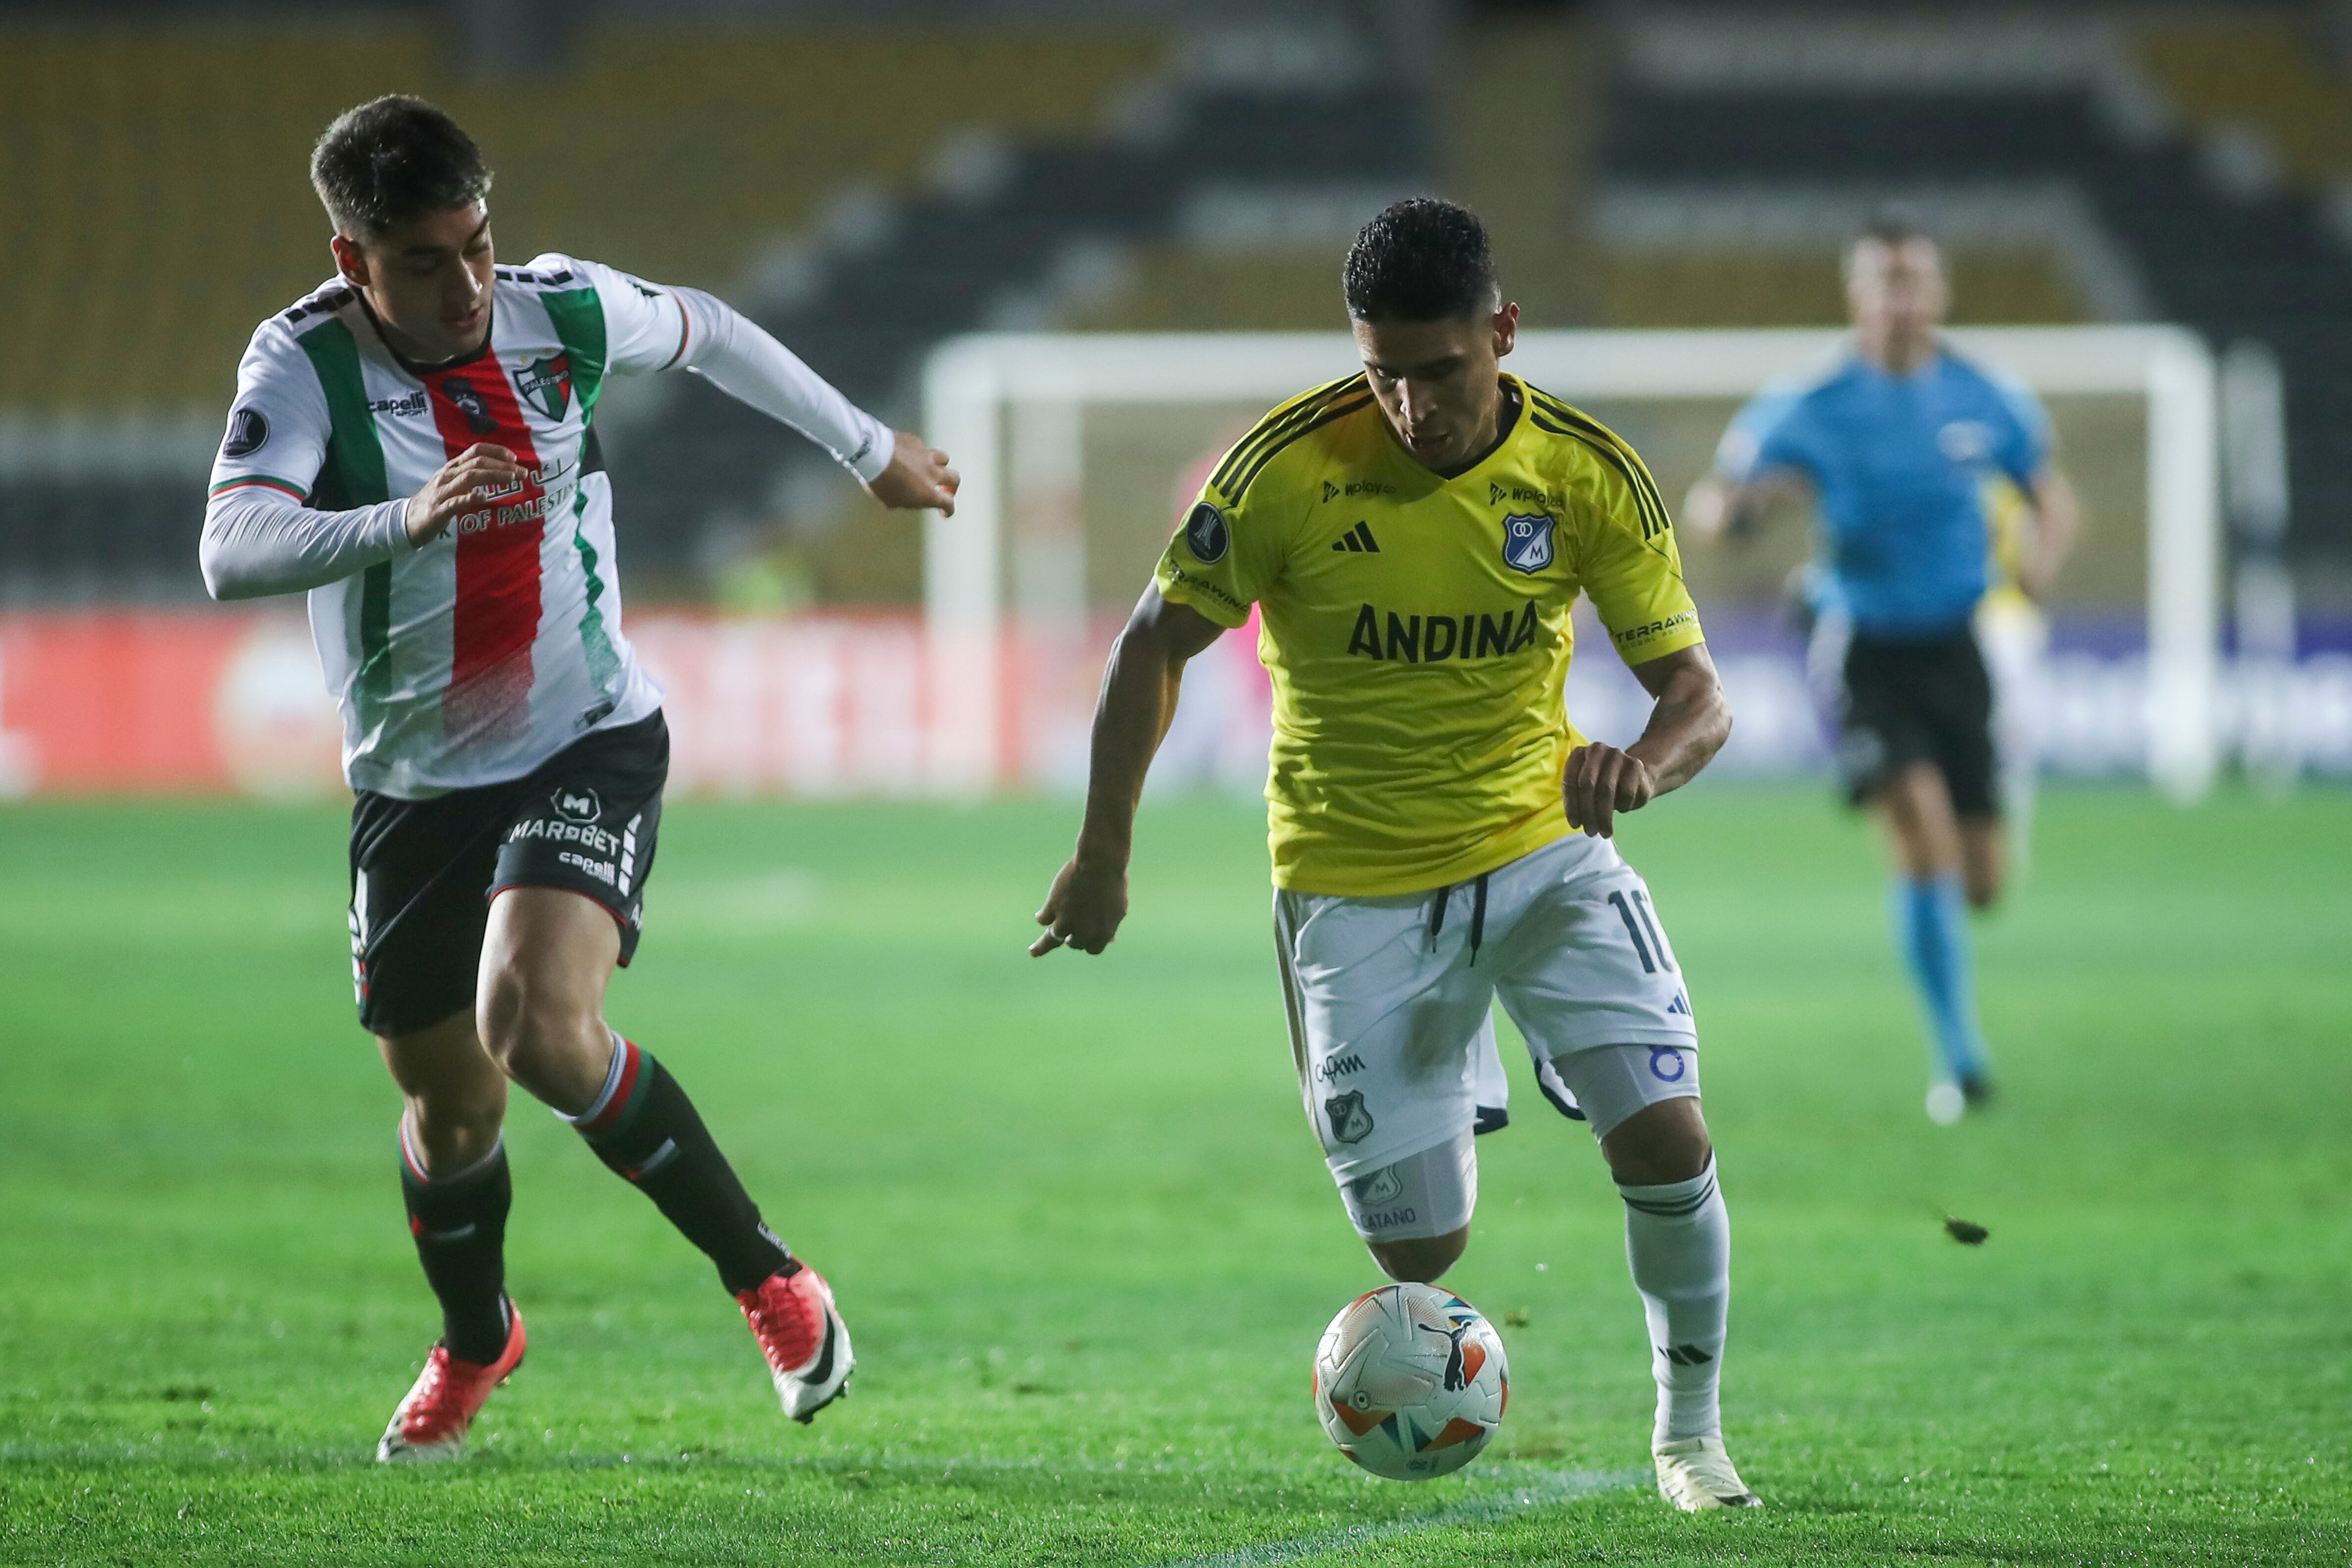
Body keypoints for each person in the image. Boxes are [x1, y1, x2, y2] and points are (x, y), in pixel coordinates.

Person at [199, 96, 958, 1460]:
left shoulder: (565, 315)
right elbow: (232, 544)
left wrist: (872, 451)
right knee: (448, 1111)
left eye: (478, 244)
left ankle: (772, 1281)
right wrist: (403, 517)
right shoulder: (303, 364)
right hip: (416, 784)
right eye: (425, 262)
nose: (467, 284)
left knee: (535, 1025)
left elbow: (714, 332)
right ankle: (480, 1339)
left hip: (585, 732)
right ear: (352, 258)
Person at [1030, 198, 1758, 1511]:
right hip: (1353, 888)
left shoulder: (1587, 473)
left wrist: (1642, 765)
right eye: (1384, 372)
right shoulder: (1286, 472)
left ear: (1504, 332)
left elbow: (1698, 694)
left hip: (1544, 848)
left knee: (1664, 1133)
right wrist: (1103, 858)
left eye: (1440, 369)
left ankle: (1691, 1438)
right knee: (1421, 1244)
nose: (1413, 404)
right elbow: (1150, 647)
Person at [1684, 211, 2077, 1124]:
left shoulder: (1987, 398)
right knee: (1920, 828)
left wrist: (2042, 559)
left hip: (1957, 645)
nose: (1900, 299)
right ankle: (1961, 1061)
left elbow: (2051, 499)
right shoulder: (1808, 406)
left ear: (1938, 293)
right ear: (1857, 295)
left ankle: (1991, 828)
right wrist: (1743, 513)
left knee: (1981, 882)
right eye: (1883, 282)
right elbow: (1716, 500)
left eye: (1914, 281)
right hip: (1860, 645)